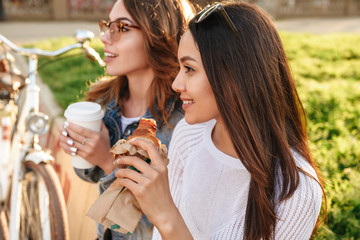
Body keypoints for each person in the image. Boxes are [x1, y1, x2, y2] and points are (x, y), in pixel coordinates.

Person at [114, 2, 325, 240]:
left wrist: (166, 217)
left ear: (234, 76)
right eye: (179, 68)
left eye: (189, 69)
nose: (176, 84)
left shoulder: (296, 191)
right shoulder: (186, 136)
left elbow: (167, 227)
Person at [59, 0, 194, 239]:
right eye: (108, 25)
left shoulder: (184, 122)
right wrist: (82, 150)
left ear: (158, 35)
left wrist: (107, 161)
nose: (104, 37)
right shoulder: (104, 101)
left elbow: (155, 226)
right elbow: (89, 175)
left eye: (122, 28)